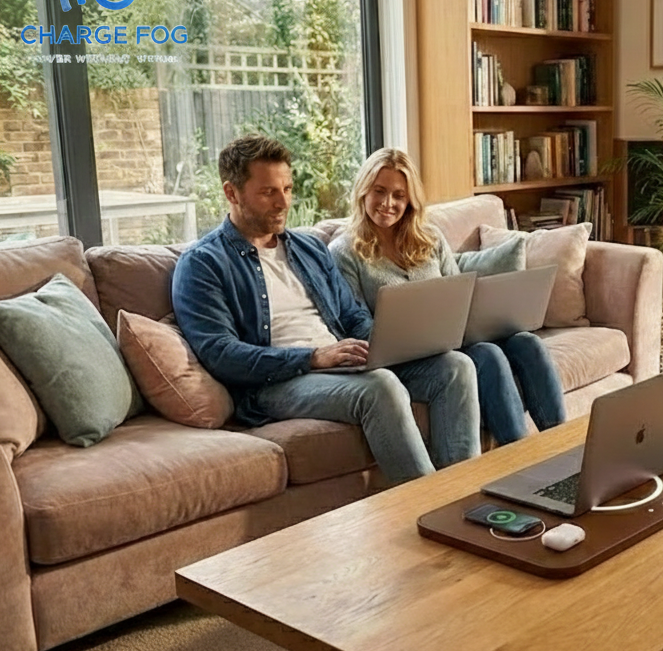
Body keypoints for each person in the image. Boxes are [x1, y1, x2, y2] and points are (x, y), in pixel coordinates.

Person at [172, 134, 481, 484]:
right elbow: (221, 354)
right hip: (276, 382)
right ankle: (430, 506)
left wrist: (392, 346)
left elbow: (351, 316)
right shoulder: (203, 263)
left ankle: (463, 492)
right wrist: (313, 357)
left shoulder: (308, 249)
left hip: (341, 362)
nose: (282, 202)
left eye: (287, 189)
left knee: (455, 366)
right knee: (380, 386)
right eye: (268, 192)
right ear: (232, 193)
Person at [329, 147, 566, 445]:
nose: (388, 203)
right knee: (489, 355)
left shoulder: (429, 239)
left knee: (526, 342)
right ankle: (519, 462)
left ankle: (562, 450)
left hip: (453, 339)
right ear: (363, 191)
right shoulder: (344, 251)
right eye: (379, 191)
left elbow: (460, 293)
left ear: (410, 200)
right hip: (406, 358)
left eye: (399, 195)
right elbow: (356, 326)